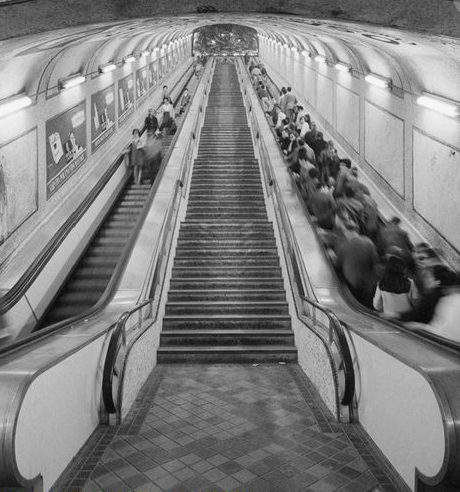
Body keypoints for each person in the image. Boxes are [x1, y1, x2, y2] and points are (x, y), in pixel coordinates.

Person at [335, 223, 379, 308]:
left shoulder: (344, 246)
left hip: (351, 282)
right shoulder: (368, 242)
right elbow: (375, 261)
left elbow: (337, 265)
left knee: (355, 301)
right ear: (357, 231)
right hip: (367, 281)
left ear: (347, 232)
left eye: (345, 231)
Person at [373, 251, 418, 316]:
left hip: (388, 317)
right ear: (402, 268)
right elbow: (416, 303)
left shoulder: (381, 283)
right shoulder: (410, 282)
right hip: (406, 317)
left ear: (387, 268)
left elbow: (376, 306)